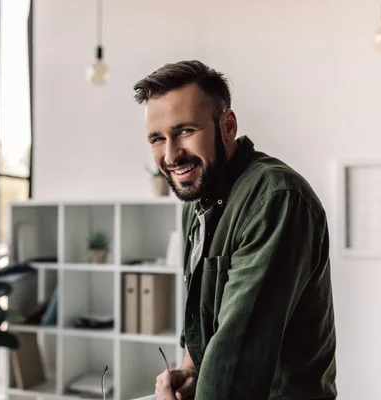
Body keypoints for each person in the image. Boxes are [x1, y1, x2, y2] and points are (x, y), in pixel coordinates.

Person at [132, 60, 337, 400]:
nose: (170, 155)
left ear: (227, 126)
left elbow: (236, 362)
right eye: (157, 138)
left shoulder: (275, 198)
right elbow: (201, 316)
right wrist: (189, 369)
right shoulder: (196, 202)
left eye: (185, 131)